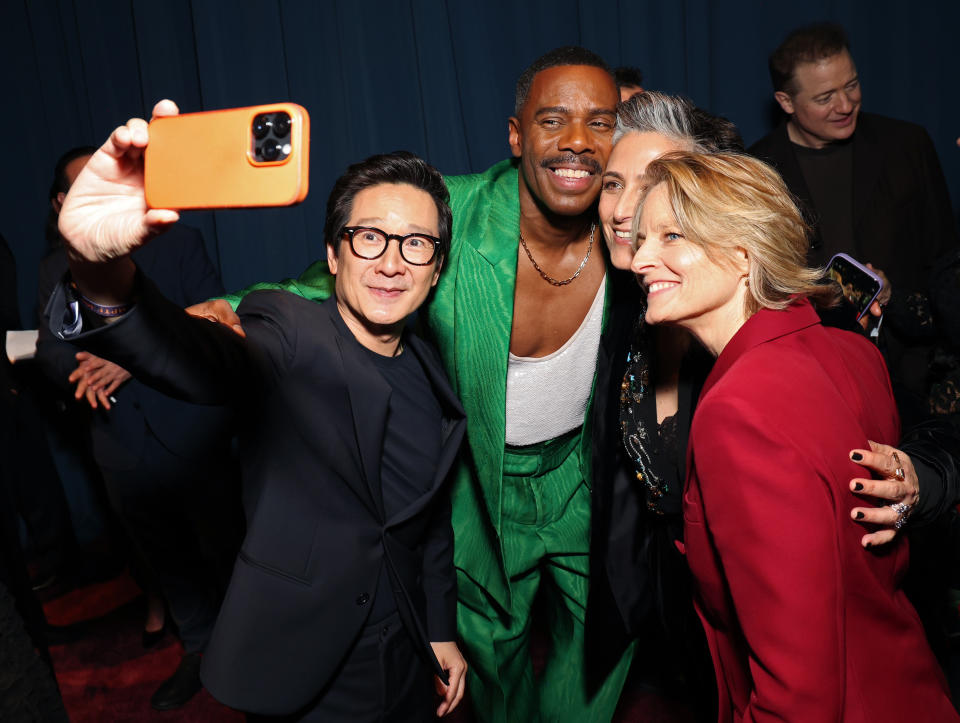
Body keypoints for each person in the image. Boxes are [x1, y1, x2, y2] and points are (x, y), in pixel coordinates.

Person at [194, 46, 634, 722]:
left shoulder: (638, 221)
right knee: (492, 664)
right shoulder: (444, 212)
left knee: (605, 644)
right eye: (553, 119)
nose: (577, 141)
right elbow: (324, 277)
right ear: (516, 136)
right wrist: (212, 315)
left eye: (600, 123)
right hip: (483, 485)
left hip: (586, 475)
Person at [47, 105, 468, 720]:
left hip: (405, 657)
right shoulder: (286, 326)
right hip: (303, 666)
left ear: (435, 271)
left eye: (417, 244)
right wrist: (100, 273)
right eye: (369, 236)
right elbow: (197, 357)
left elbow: (426, 524)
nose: (391, 260)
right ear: (333, 253)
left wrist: (439, 629)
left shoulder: (433, 370)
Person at [630, 149, 958, 721]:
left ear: (741, 252)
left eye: (670, 235)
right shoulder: (851, 349)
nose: (640, 259)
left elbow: (798, 693)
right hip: (909, 688)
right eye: (641, 239)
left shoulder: (738, 408)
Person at [36, 147, 242, 710]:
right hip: (117, 441)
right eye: (82, 187)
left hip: (193, 428)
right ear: (61, 202)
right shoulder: (56, 268)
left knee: (227, 545)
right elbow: (51, 353)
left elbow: (212, 313)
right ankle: (197, 650)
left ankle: (248, 646)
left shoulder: (180, 241)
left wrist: (130, 357)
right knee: (166, 561)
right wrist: (85, 367)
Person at [749, 22, 960, 425]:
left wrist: (898, 296)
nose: (845, 105)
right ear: (786, 101)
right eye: (825, 97)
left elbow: (945, 262)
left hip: (911, 374)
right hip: (810, 378)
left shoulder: (908, 145)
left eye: (852, 85)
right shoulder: (758, 169)